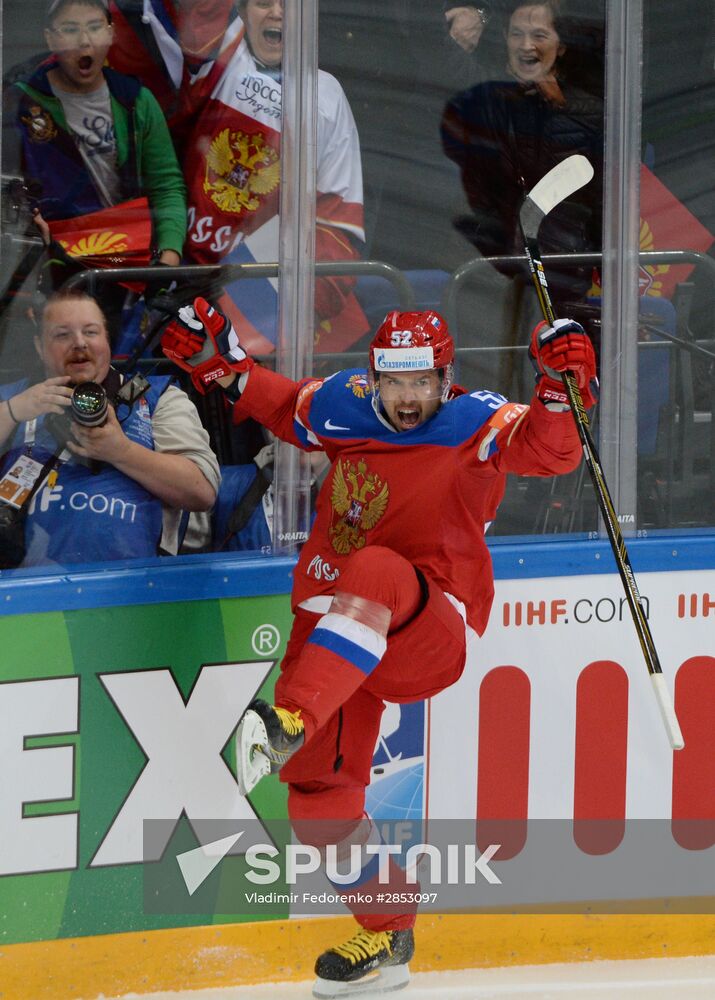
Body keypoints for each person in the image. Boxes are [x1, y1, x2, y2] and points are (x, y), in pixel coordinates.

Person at [160, 295, 597, 994]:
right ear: (374, 376)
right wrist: (222, 363)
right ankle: (387, 931)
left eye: (421, 382)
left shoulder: (476, 418)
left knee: (375, 570)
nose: (407, 397)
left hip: (423, 625)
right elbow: (282, 405)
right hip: (339, 631)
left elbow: (552, 450)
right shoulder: (344, 402)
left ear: (444, 377)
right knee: (315, 798)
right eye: (394, 382)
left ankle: (293, 719)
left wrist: (559, 388)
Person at [108, 0, 368, 356]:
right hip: (174, 280)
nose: (277, 13)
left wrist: (253, 310)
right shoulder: (213, 55)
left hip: (254, 310)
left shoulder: (326, 97)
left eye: (289, 6)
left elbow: (337, 229)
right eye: (263, 2)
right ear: (242, 10)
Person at [1, 0, 187, 344]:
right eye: (70, 29)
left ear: (111, 33)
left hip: (120, 269)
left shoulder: (136, 100)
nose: (84, 41)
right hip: (45, 268)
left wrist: (167, 260)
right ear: (51, 39)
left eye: (94, 26)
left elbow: (167, 186)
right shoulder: (19, 102)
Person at [441, 0, 603, 386]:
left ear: (561, 46)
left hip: (564, 277)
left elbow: (602, 205)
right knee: (500, 387)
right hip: (494, 272)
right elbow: (446, 70)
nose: (526, 45)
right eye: (517, 34)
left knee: (561, 390)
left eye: (539, 35)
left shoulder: (590, 113)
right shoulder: (484, 100)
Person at [0, 287, 219, 567]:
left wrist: (121, 451)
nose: (79, 343)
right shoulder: (14, 399)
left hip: (134, 590)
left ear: (107, 341)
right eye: (62, 334)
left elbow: (202, 491)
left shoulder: (158, 397)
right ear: (40, 347)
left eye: (91, 332)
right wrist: (11, 411)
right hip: (27, 593)